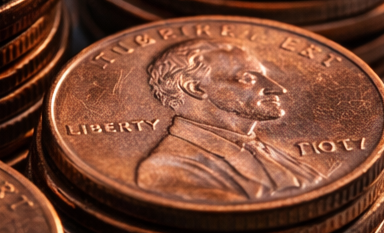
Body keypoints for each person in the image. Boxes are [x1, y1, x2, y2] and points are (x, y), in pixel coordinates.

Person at [137, 39, 326, 201]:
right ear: (194, 88)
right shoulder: (167, 169)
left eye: (264, 77)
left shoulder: (268, 151)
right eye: (247, 78)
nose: (276, 88)